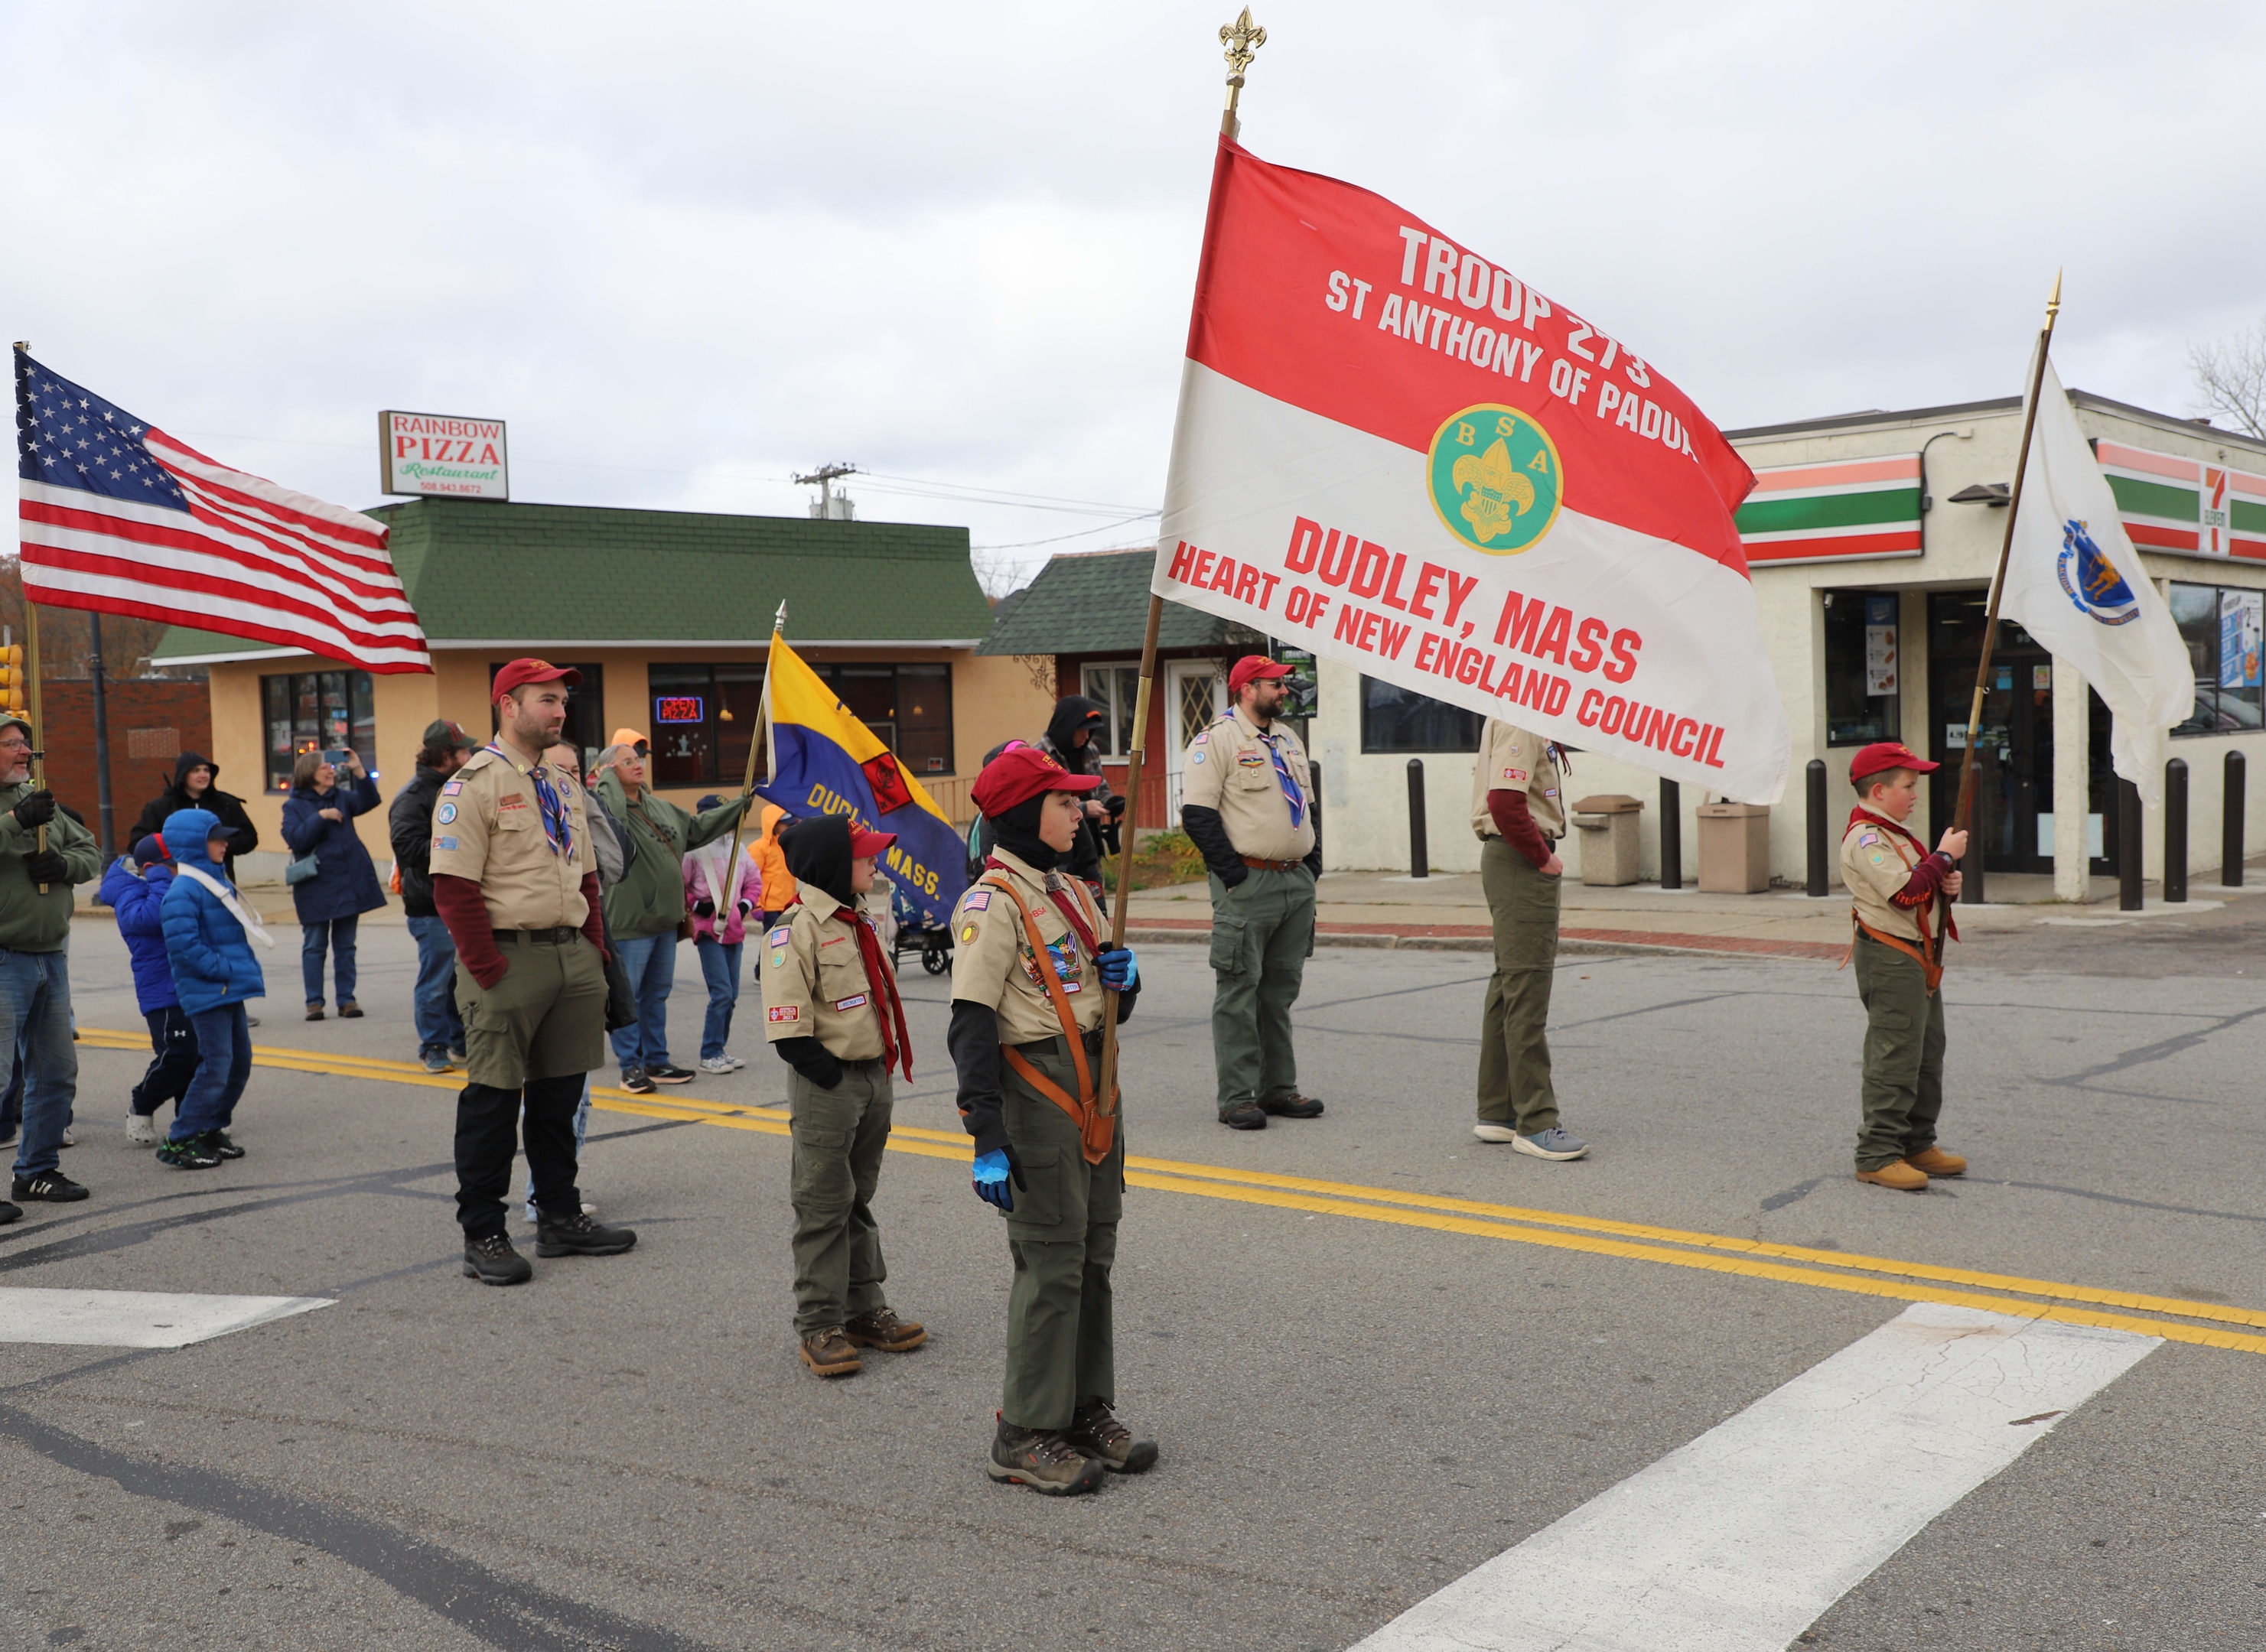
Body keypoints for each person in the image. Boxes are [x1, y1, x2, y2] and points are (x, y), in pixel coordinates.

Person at [949, 743, 1153, 1494]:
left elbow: (1102, 996)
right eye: (1064, 802)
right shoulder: (991, 902)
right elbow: (970, 1022)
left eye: (1078, 801)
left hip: (1095, 1080)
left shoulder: (1071, 890)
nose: (1081, 811)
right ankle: (1023, 1431)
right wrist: (987, 1138)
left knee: (1093, 1255)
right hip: (1039, 1088)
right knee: (1050, 1262)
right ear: (1023, 814)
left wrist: (1124, 984)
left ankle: (1081, 1407)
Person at [429, 659, 634, 1286]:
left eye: (563, 701)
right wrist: (487, 968)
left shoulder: (563, 783)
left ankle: (560, 1217)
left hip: (571, 953)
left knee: (559, 1099)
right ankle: (484, 1233)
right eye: (546, 700)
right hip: (507, 957)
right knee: (492, 1101)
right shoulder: (473, 785)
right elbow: (453, 886)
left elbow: (587, 875)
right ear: (508, 706)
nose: (559, 711)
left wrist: (594, 952)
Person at [762, 815, 925, 1377]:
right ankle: (820, 1324)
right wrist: (832, 1081)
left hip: (871, 1080)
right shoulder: (794, 929)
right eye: (864, 856)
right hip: (829, 1084)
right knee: (823, 1204)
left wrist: (876, 1073)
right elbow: (787, 1029)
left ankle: (864, 1307)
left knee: (855, 1198)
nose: (874, 864)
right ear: (832, 864)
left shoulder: (858, 921)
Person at [1178, 655, 1325, 1132]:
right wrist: (1234, 876)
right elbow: (1198, 817)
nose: (1284, 692)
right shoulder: (1215, 741)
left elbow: (1306, 807)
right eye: (1275, 685)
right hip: (1248, 882)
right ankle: (1237, 1097)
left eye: (1283, 685)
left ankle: (1278, 1089)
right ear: (1246, 689)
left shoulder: (1287, 739)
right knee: (1239, 990)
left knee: (1279, 992)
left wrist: (1312, 863)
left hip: (1294, 881)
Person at [594, 729, 751, 1094]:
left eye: (639, 760)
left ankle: (656, 1060)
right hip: (631, 924)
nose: (638, 766)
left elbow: (695, 829)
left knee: (655, 995)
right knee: (628, 997)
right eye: (628, 762)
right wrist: (606, 773)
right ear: (607, 773)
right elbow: (612, 815)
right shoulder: (607, 806)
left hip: (665, 921)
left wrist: (736, 807)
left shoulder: (659, 807)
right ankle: (630, 1066)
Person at [1842, 742, 1969, 1192]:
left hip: (1918, 954)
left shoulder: (1895, 833)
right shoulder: (1868, 839)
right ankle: (1877, 1153)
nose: (1915, 794)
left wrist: (1946, 883)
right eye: (1908, 786)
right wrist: (1944, 857)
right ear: (1878, 790)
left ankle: (1916, 1142)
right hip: (1892, 955)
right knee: (1896, 1052)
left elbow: (1924, 888)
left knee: (1927, 1050)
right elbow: (1904, 894)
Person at [1468, 720, 1588, 1160]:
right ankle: (1536, 1123)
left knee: (1509, 985)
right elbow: (1505, 802)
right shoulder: (1522, 717)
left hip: (1514, 857)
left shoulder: (1521, 713)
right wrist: (1542, 857)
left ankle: (1499, 1111)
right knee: (1527, 990)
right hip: (1521, 858)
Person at [0, 715, 101, 1214]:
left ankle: (36, 1171)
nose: (24, 752)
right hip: (2, 959)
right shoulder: (21, 811)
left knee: (56, 1071)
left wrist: (63, 866)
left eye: (26, 744)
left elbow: (90, 853)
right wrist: (17, 823)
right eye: (12, 744)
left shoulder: (42, 803)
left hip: (48, 958)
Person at [154, 808, 271, 1169]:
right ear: (194, 845)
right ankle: (180, 1139)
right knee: (216, 1065)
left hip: (226, 988)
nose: (225, 843)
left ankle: (211, 1127)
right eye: (216, 839)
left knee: (239, 1063)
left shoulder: (214, 881)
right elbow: (183, 946)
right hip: (210, 990)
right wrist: (224, 971)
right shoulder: (184, 890)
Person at [523, 740, 605, 1226]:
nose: (574, 778)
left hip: (576, 957)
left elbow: (607, 868)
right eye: (563, 769)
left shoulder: (576, 807)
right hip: (528, 962)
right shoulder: (519, 809)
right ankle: (543, 1197)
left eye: (579, 770)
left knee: (574, 1094)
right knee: (544, 1095)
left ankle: (555, 1196)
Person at [390, 719, 479, 1072]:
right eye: (463, 750)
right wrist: (457, 845)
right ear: (445, 755)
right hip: (430, 904)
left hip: (462, 899)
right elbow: (407, 848)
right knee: (437, 980)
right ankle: (433, 1045)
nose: (470, 754)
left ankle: (460, 1042)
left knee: (461, 979)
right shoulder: (413, 797)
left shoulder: (459, 787)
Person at [97, 834, 198, 1144]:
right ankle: (142, 1104)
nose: (180, 871)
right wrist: (159, 878)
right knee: (177, 1054)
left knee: (196, 1056)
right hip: (161, 988)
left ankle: (191, 1120)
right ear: (153, 867)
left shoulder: (169, 884)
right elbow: (151, 918)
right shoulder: (128, 891)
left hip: (190, 983)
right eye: (174, 866)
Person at [281, 748, 385, 1019]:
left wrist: (358, 769)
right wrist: (321, 817)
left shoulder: (342, 797)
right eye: (325, 767)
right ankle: (314, 1003)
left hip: (348, 881)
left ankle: (346, 1000)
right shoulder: (294, 806)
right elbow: (296, 839)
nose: (331, 771)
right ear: (309, 773)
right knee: (315, 946)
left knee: (346, 946)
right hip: (315, 884)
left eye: (332, 767)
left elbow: (370, 801)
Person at [685, 795, 757, 1075]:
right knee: (722, 993)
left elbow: (754, 882)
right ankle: (710, 1052)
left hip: (735, 930)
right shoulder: (693, 850)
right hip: (708, 931)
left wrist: (743, 906)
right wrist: (696, 904)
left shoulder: (738, 847)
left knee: (732, 994)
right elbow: (680, 885)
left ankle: (720, 1050)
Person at [129, 751, 258, 885]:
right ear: (183, 775)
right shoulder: (160, 807)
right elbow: (137, 843)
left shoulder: (227, 804)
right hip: (174, 881)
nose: (203, 775)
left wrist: (217, 845)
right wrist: (173, 851)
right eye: (196, 771)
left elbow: (249, 837)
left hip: (219, 880)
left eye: (206, 770)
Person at [750, 803, 796, 927]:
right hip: (769, 908)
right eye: (787, 825)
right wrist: (756, 905)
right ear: (774, 825)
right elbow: (751, 878)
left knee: (786, 943)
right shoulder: (759, 848)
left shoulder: (788, 845)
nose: (791, 827)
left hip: (788, 904)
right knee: (774, 943)